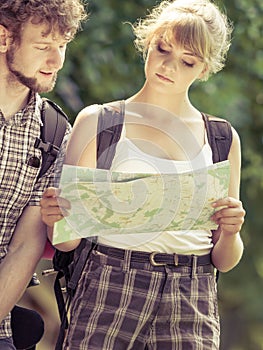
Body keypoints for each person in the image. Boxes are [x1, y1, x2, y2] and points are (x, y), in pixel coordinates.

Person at [41, 0, 246, 349]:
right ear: (148, 41)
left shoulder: (222, 138)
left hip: (191, 294)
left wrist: (231, 232)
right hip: (109, 284)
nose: (169, 66)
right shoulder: (98, 122)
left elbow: (223, 261)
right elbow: (67, 242)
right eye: (162, 48)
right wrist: (55, 218)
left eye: (188, 61)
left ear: (204, 69)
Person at [0, 0, 87, 349]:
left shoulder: (53, 132)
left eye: (62, 46)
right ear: (4, 39)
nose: (57, 61)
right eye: (43, 47)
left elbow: (25, 247)